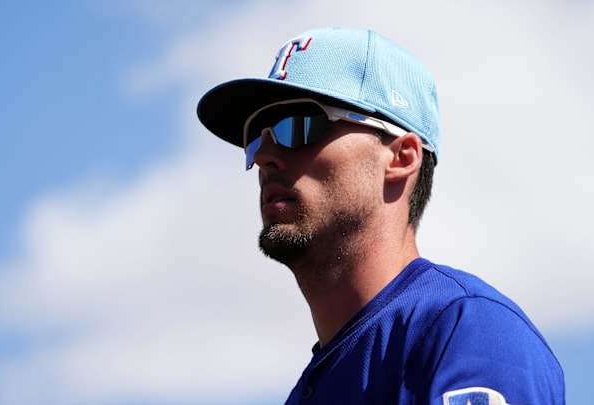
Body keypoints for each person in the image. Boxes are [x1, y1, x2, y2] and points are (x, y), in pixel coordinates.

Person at [197, 27, 565, 405]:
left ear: (401, 157)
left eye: (300, 124)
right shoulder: (311, 384)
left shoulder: (469, 331)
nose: (263, 157)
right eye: (256, 137)